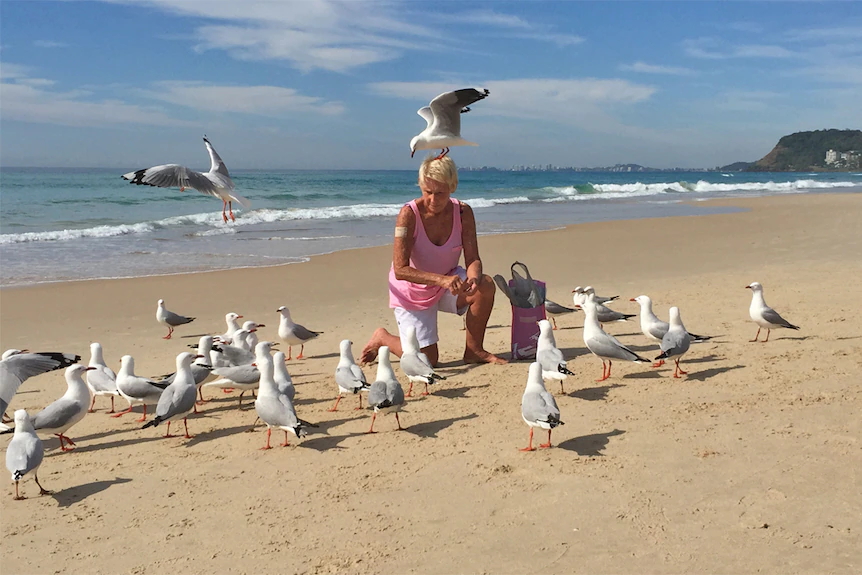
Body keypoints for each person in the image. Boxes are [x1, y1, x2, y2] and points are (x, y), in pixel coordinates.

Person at [360, 155, 507, 366]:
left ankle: (474, 351)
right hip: (411, 290)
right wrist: (442, 281)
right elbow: (401, 270)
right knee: (427, 361)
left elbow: (473, 258)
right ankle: (383, 338)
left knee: (484, 285)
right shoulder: (408, 214)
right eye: (428, 192)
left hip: (448, 280)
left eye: (440, 193)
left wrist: (473, 278)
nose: (433, 200)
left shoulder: (463, 212)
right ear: (420, 186)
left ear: (452, 187)